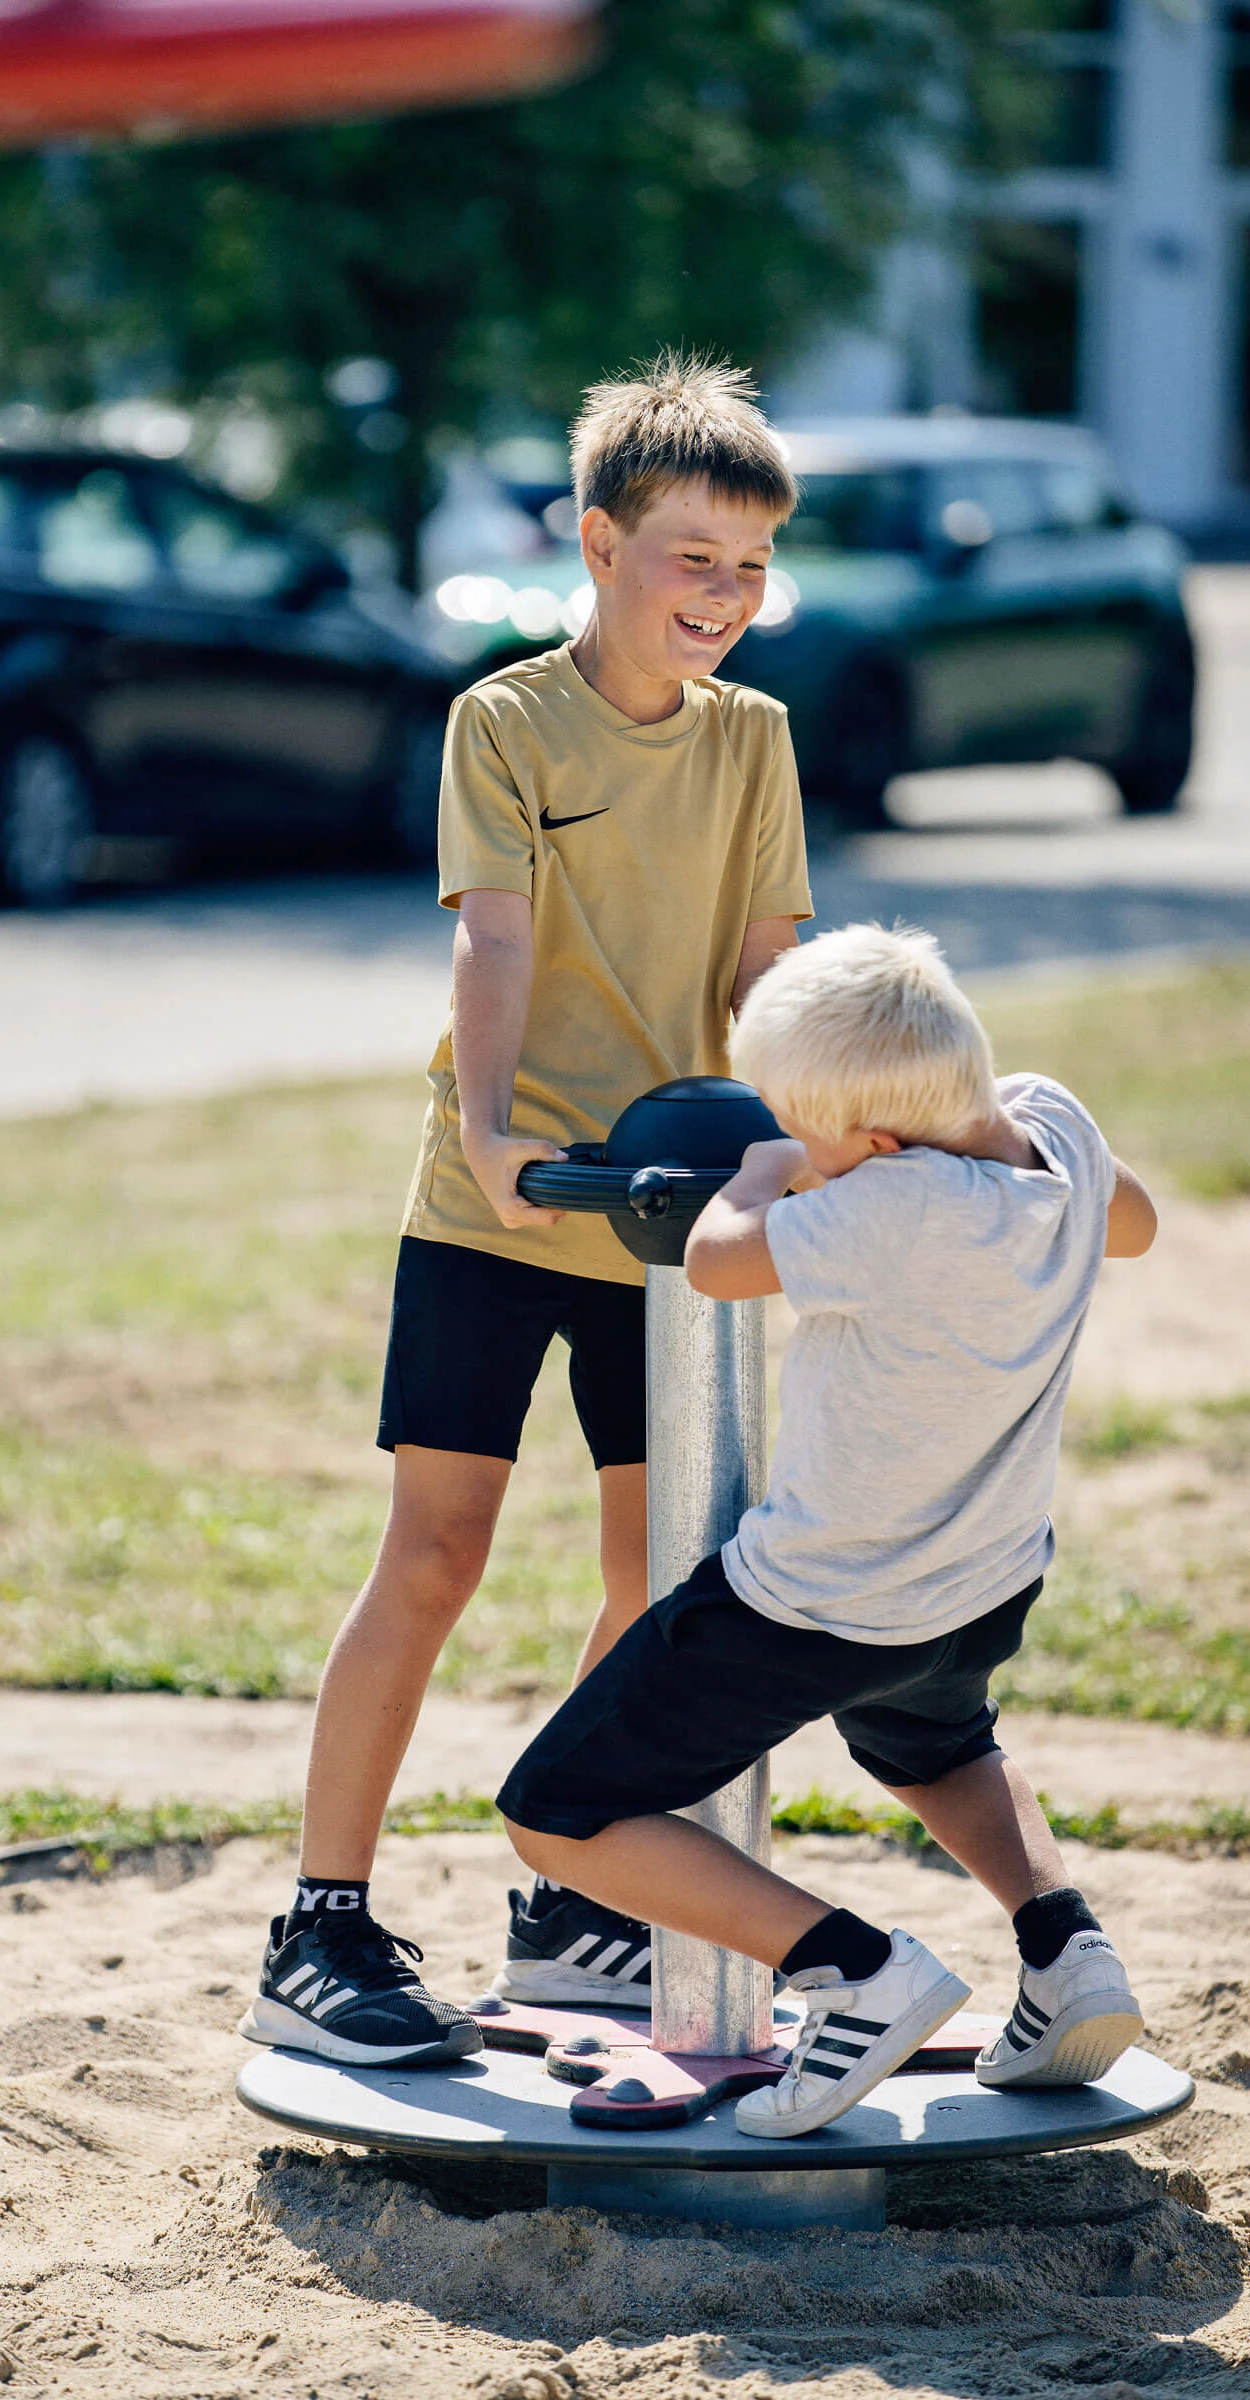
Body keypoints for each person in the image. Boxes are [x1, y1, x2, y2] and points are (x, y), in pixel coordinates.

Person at [239, 355, 814, 2066]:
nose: (724, 596)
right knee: (437, 1553)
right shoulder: (502, 721)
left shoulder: (757, 743)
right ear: (599, 543)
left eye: (752, 568)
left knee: (662, 1568)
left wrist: (799, 1145)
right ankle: (318, 1926)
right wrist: (491, 1131)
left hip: (670, 1225)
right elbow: (491, 938)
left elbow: (768, 972)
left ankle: (570, 1907)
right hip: (502, 1205)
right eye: (693, 558)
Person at [498, 924, 1157, 2135]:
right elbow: (1135, 1223)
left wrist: (756, 1178)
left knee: (560, 1814)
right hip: (980, 1581)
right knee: (932, 1746)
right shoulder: (1053, 1128)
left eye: (800, 1127)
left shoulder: (889, 1208)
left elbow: (715, 1263)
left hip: (811, 1600)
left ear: (870, 1143)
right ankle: (1065, 1951)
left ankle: (853, 1970)